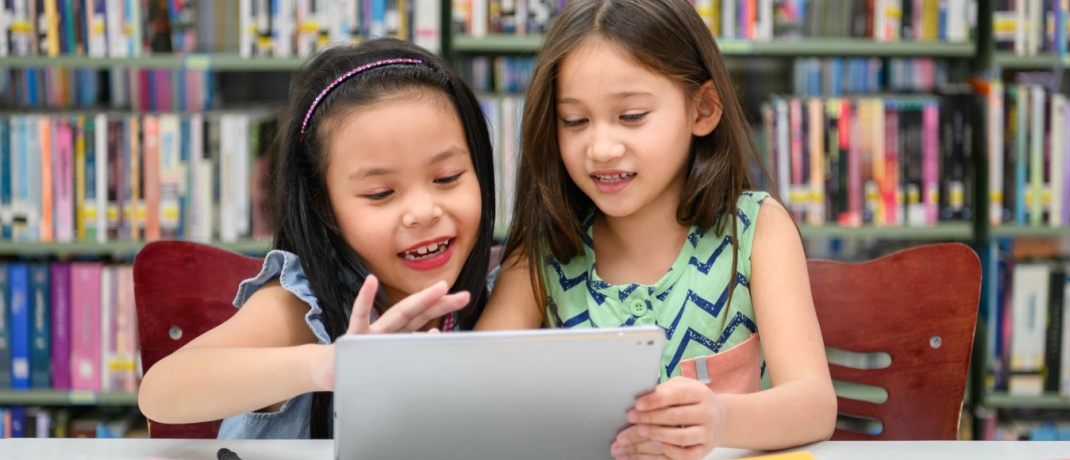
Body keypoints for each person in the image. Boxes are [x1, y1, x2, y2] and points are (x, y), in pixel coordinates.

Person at [476, 0, 837, 457]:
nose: (601, 147)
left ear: (702, 110)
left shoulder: (756, 228)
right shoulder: (542, 253)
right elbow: (480, 392)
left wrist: (721, 419)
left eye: (631, 116)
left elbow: (815, 404)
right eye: (575, 121)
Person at [138, 37, 497, 440]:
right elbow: (161, 391)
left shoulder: (501, 301)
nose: (423, 212)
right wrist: (327, 365)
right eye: (381, 193)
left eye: (447, 178)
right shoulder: (302, 309)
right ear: (323, 206)